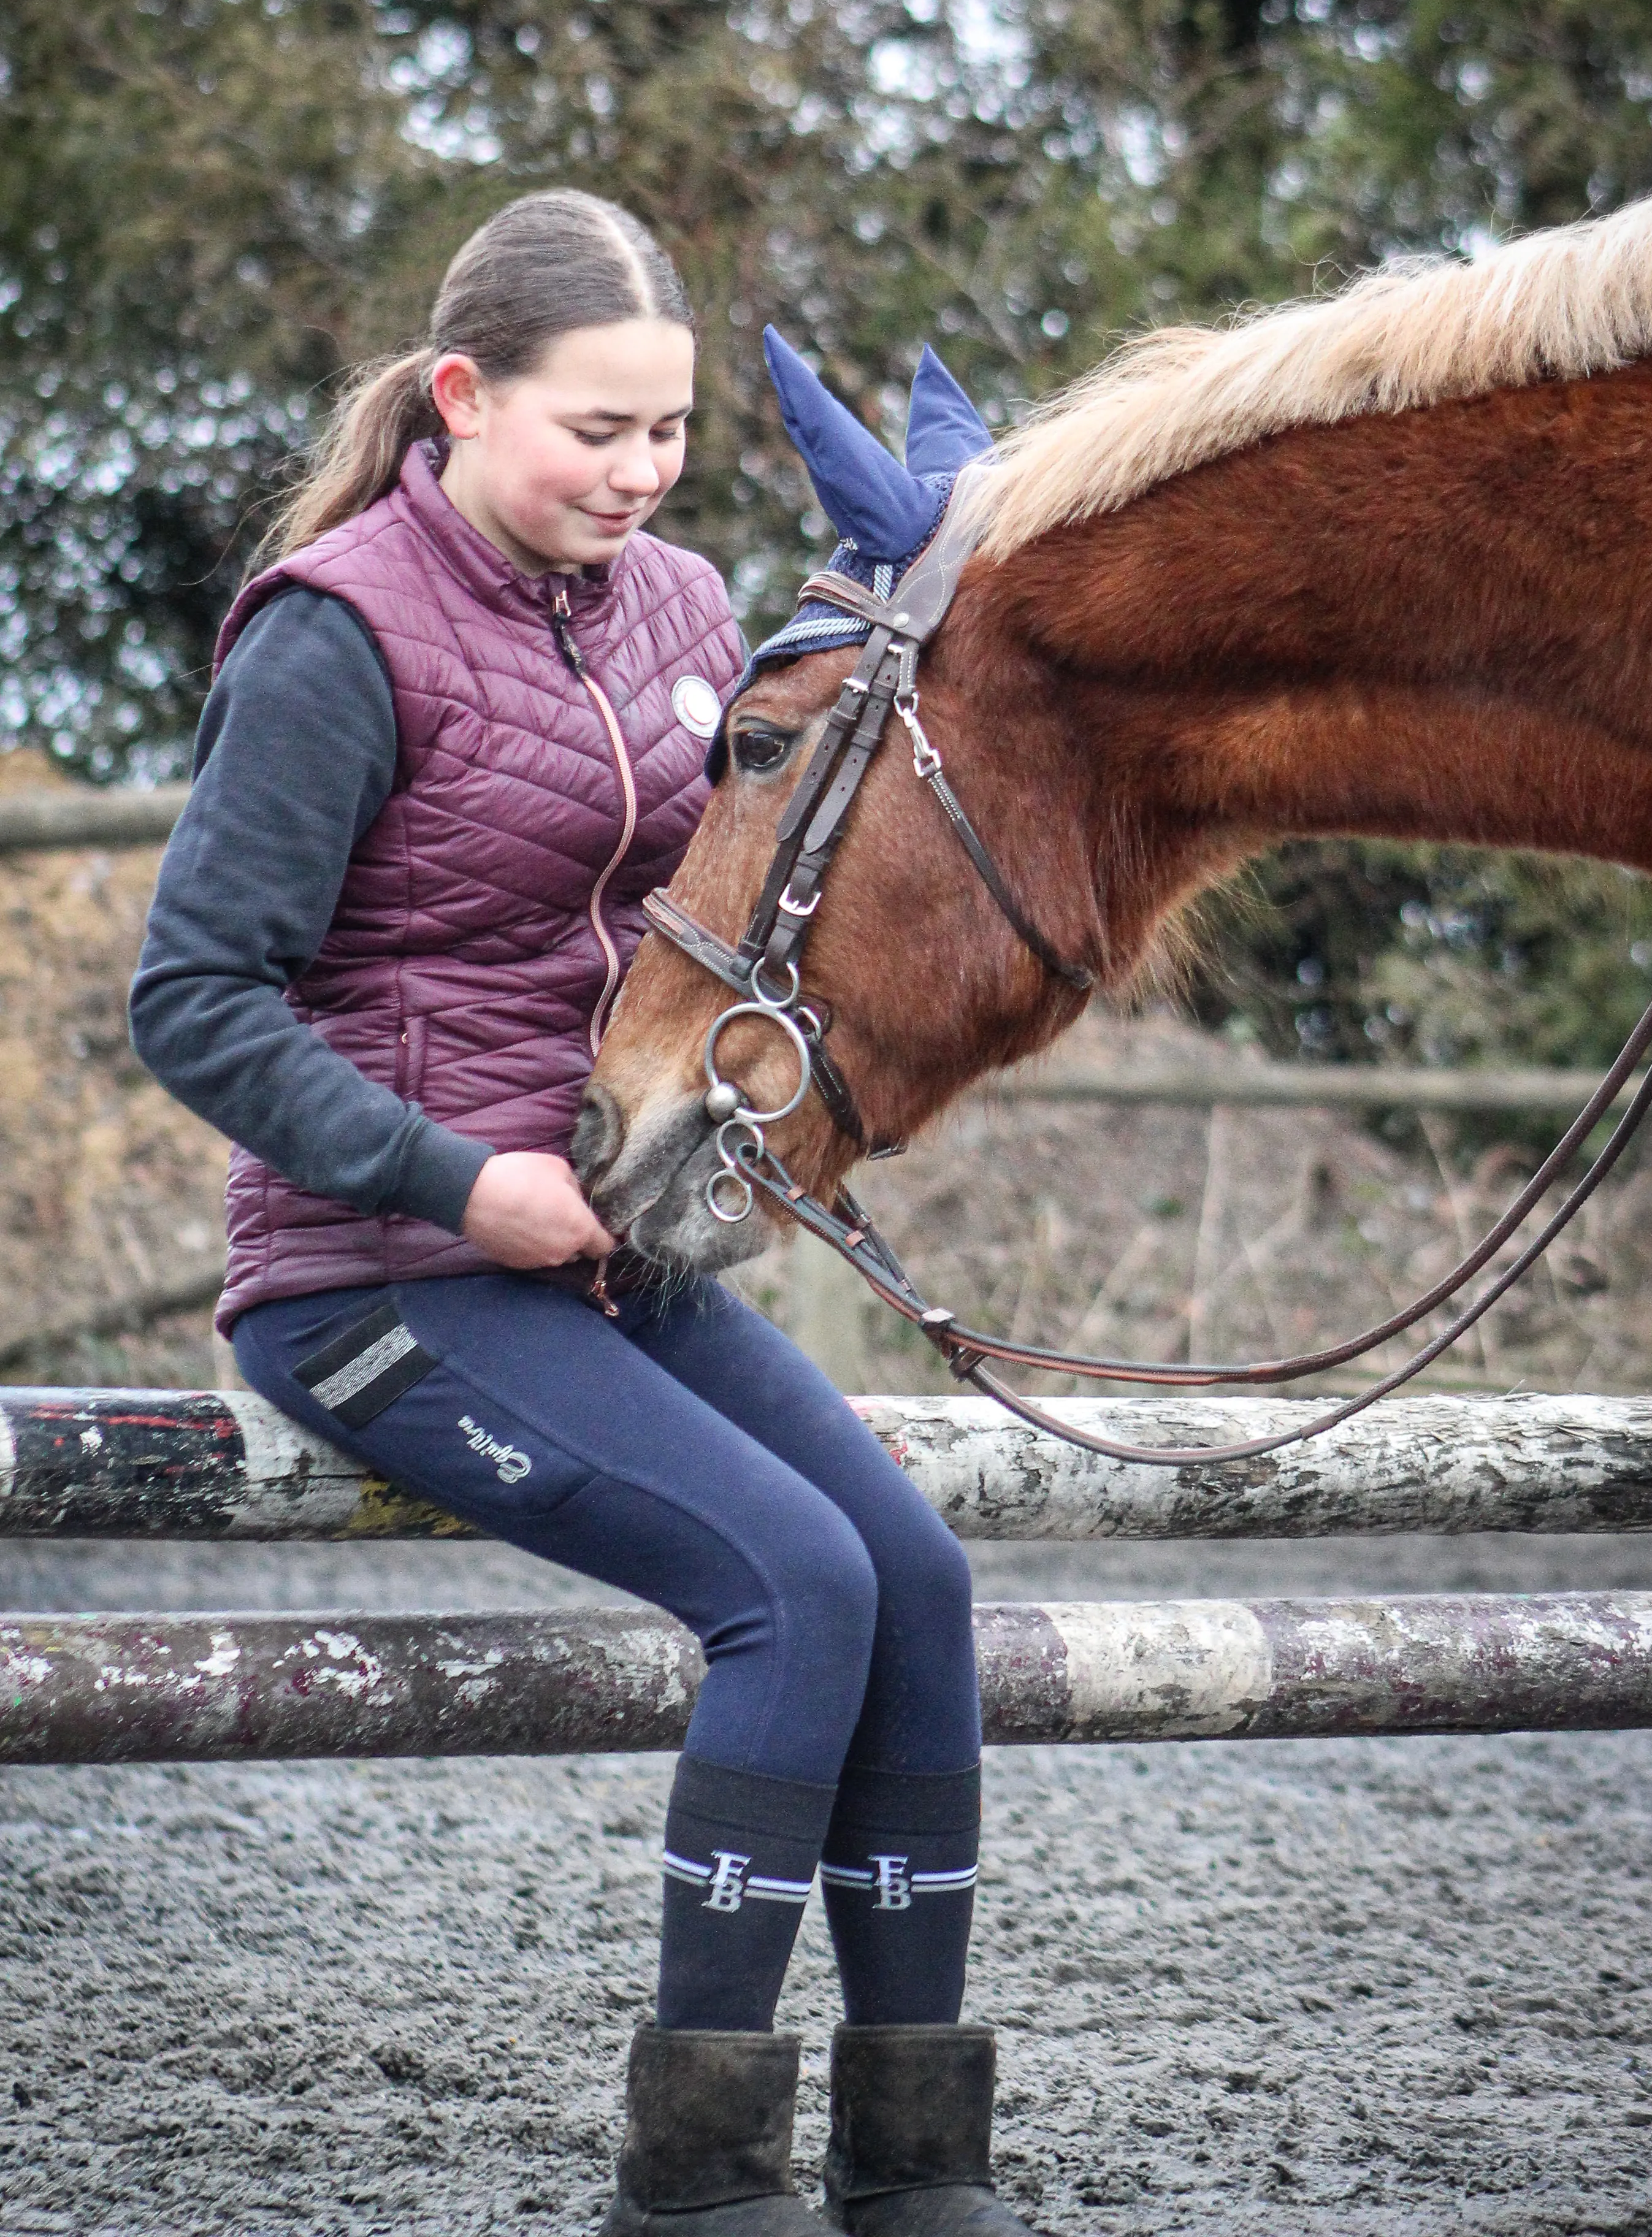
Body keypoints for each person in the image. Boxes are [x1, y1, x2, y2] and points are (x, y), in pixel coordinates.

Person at [130, 190, 1034, 2236]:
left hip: (608, 1245)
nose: (636, 476)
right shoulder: (335, 631)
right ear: (463, 398)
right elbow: (189, 997)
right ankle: (698, 2183)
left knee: (918, 1575)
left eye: (667, 434)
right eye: (593, 431)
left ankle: (917, 2167)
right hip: (376, 1273)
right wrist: (460, 1176)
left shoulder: (686, 604)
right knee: (794, 1582)